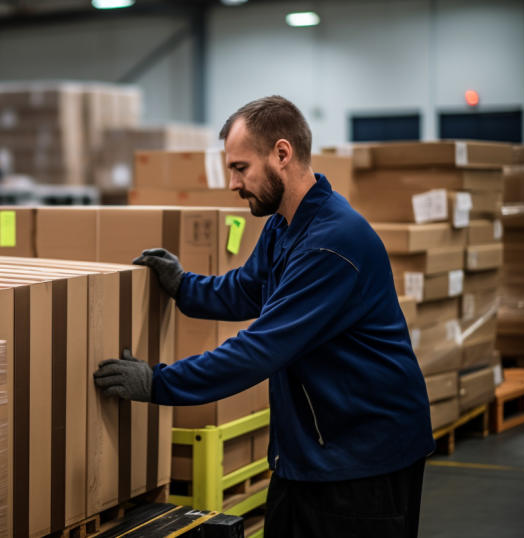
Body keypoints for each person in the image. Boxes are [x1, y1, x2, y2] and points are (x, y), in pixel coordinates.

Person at [93, 95, 434, 537]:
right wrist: (182, 284)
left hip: (362, 457)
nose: (233, 184)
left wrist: (158, 382)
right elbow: (247, 289)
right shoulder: (286, 225)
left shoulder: (330, 245)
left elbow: (259, 350)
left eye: (240, 168)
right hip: (312, 450)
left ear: (281, 154)